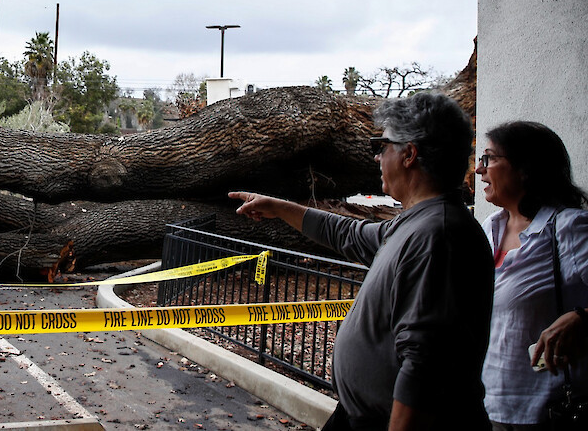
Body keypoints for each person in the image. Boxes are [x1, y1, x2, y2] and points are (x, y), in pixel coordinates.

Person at [229, 92, 493, 431]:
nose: (377, 157)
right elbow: (348, 234)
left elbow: (426, 369)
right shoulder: (415, 223)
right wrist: (279, 207)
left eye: (382, 147)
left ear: (409, 154)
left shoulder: (438, 236)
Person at [476, 121, 588, 430]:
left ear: (525, 168)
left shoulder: (567, 229)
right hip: (485, 406)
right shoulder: (489, 229)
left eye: (489, 158)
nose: (478, 170)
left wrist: (582, 318)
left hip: (544, 412)